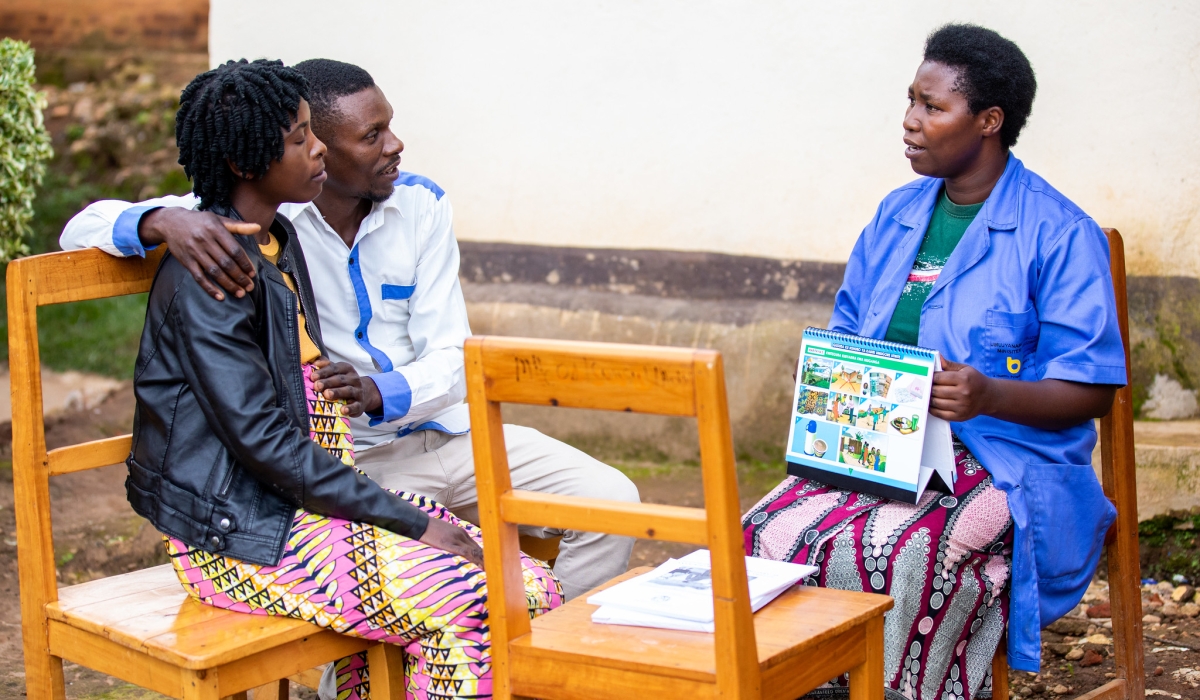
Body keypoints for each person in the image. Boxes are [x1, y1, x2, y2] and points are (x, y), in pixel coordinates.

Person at [60, 58, 638, 603]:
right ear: (318, 151)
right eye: (371, 137)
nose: (395, 146)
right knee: (429, 580)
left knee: (613, 503)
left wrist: (377, 391)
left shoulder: (421, 206)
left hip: (450, 434)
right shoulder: (259, 215)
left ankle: (539, 665)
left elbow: (452, 355)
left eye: (389, 127)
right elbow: (81, 226)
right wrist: (161, 219)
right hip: (349, 461)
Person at [133, 58, 561, 700]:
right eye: (301, 138)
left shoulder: (277, 238)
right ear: (249, 162)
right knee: (482, 602)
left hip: (313, 508)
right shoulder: (209, 274)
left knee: (531, 584)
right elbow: (264, 445)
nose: (319, 153)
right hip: (242, 537)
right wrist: (414, 524)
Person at [743, 24, 1124, 700]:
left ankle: (897, 687)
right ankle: (815, 682)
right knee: (764, 532)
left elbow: (1090, 389)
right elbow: (847, 337)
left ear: (989, 121)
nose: (910, 122)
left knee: (912, 551)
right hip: (886, 451)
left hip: (1006, 461)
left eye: (932, 106)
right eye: (911, 101)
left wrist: (987, 395)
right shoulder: (895, 215)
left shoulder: (1060, 233)